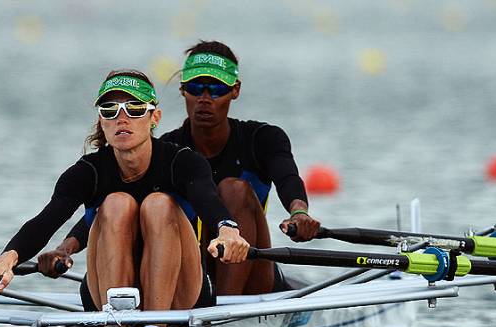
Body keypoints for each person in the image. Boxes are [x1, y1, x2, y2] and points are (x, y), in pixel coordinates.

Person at [0, 70, 250, 327]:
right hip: (105, 293)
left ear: (154, 117)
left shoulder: (182, 161)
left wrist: (227, 229)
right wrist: (6, 259)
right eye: (110, 110)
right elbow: (47, 220)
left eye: (134, 108)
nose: (122, 118)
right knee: (116, 203)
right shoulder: (88, 171)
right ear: (102, 121)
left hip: (181, 295)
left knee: (158, 204)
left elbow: (208, 199)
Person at [39, 41, 321, 296]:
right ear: (183, 90)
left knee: (232, 188)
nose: (205, 98)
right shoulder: (167, 150)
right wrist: (65, 249)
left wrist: (299, 212)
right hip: (190, 268)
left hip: (249, 270)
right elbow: (103, 208)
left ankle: (223, 309)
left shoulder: (263, 139)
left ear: (234, 91)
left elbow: (288, 178)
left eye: (217, 89)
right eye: (196, 88)